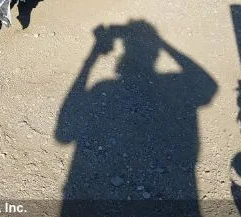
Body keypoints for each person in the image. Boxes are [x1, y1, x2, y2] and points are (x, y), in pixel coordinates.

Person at [56, 20, 217, 214]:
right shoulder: (173, 82)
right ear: (156, 54)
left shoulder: (103, 87)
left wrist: (93, 55)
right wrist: (160, 42)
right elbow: (207, 85)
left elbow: (64, 134)